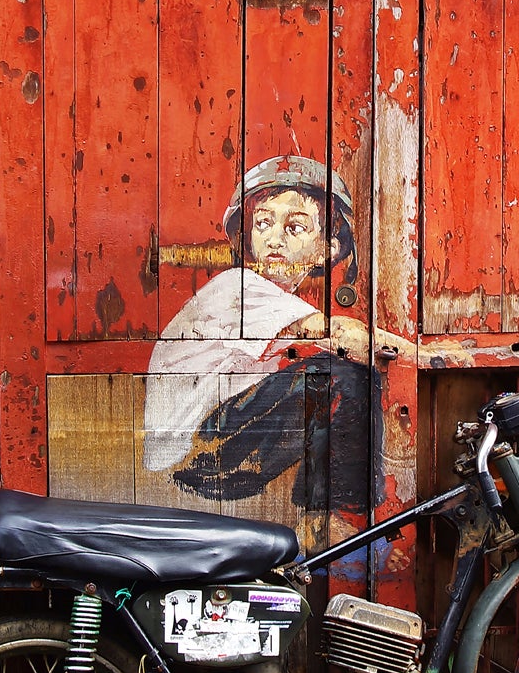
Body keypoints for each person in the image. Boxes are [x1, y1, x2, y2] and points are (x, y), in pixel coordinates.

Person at [142, 156, 398, 511]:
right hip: (192, 456)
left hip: (207, 452)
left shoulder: (268, 300)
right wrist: (428, 355)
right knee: (341, 375)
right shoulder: (238, 287)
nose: (274, 238)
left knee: (327, 379)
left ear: (329, 249)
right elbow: (338, 335)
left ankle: (323, 523)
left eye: (294, 228)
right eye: (263, 223)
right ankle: (343, 531)